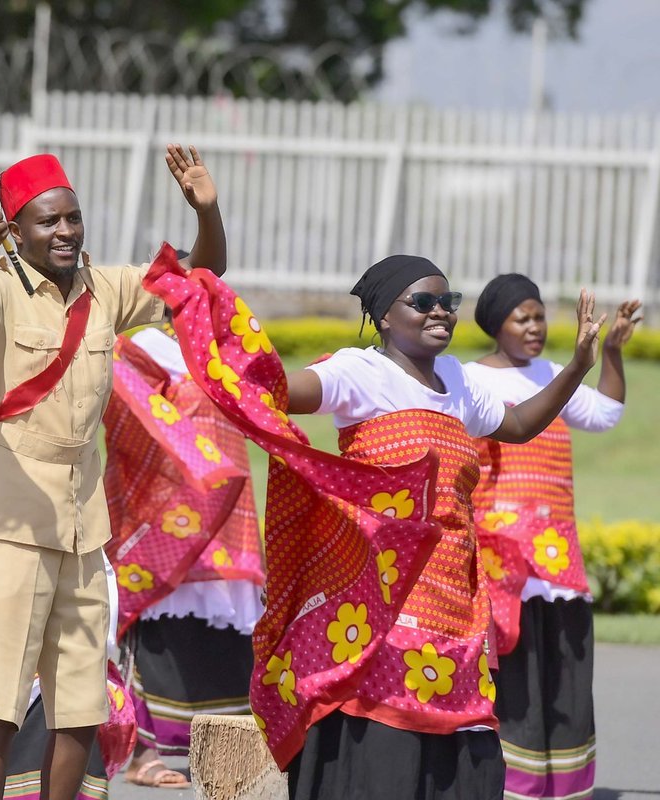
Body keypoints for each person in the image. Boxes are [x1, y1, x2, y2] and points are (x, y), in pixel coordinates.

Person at [142, 249, 606, 799]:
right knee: (383, 729)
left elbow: (521, 423)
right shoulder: (360, 372)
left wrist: (577, 364)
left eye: (448, 301)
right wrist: (214, 319)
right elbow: (275, 389)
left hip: (454, 594)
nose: (441, 312)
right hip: (381, 597)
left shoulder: (457, 381)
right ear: (386, 315)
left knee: (458, 728)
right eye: (424, 302)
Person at [0, 145, 226, 800]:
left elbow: (200, 280)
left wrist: (206, 213)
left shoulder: (106, 286)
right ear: (14, 229)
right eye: (48, 222)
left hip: (82, 524)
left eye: (73, 217)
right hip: (9, 517)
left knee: (80, 701)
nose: (67, 231)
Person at [463, 274, 639, 800]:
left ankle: (564, 788)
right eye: (523, 317)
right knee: (514, 684)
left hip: (558, 566)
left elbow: (605, 413)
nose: (536, 327)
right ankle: (515, 789)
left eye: (540, 316)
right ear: (498, 325)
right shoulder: (473, 380)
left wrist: (609, 352)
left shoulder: (554, 376)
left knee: (564, 675)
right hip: (501, 566)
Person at [106, 319, 265, 789]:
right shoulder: (141, 346)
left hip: (228, 518)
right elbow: (127, 415)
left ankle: (223, 748)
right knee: (156, 629)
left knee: (224, 634)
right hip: (163, 514)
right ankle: (144, 751)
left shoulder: (227, 352)